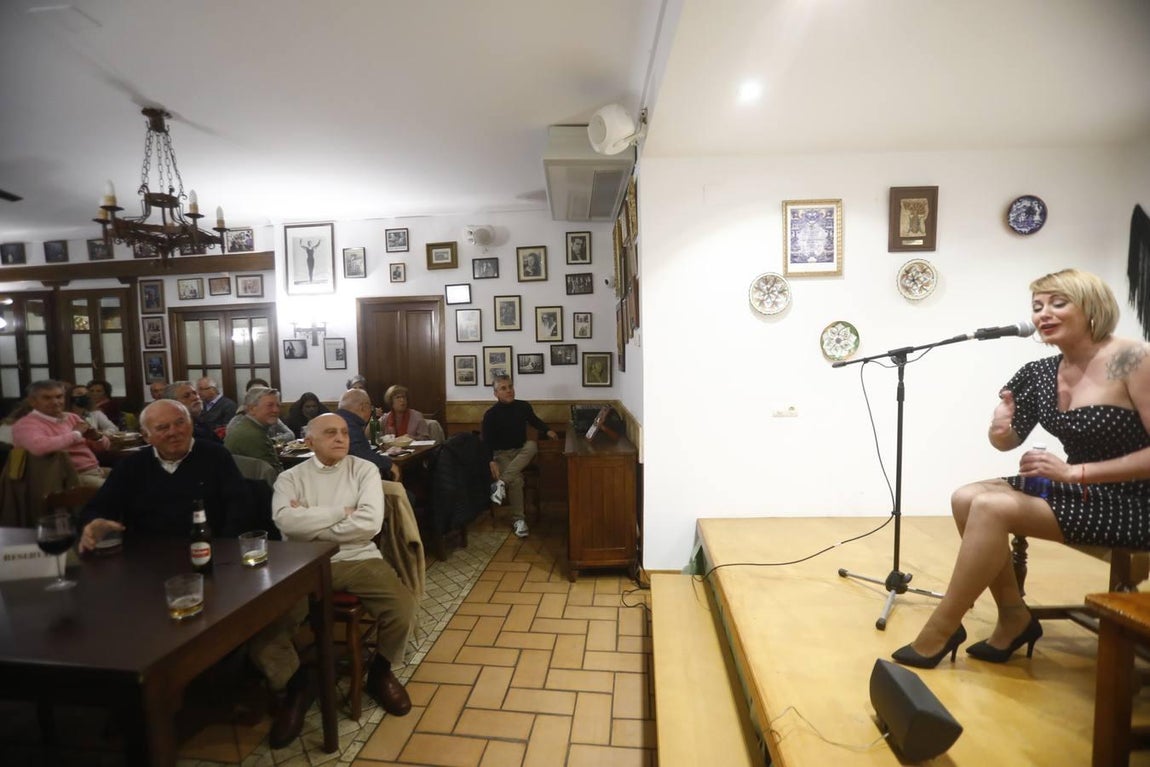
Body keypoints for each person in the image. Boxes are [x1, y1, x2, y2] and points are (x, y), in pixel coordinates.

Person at [893, 269, 1150, 669]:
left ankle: (942, 627)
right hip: (1080, 490)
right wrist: (999, 425)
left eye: (1058, 303)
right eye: (1037, 306)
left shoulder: (1133, 358)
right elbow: (1008, 441)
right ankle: (1015, 616)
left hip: (1134, 499)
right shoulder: (1041, 372)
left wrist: (1072, 474)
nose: (1043, 313)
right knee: (965, 497)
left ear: (1091, 305)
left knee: (991, 508)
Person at [253, 412, 416, 746]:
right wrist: (342, 513)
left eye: (343, 432)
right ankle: (298, 686)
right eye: (330, 433)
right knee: (265, 632)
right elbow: (286, 523)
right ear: (309, 441)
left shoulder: (364, 469)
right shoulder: (290, 477)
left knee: (403, 609)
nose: (341, 438)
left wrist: (310, 521)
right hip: (301, 564)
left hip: (357, 558)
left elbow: (369, 524)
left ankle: (380, 674)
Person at [77, 399, 250, 549]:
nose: (174, 432)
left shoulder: (216, 455)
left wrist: (227, 547)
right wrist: (93, 523)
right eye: (162, 427)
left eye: (180, 422)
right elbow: (98, 507)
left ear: (191, 425)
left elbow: (240, 506)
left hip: (209, 550)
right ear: (146, 436)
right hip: (149, 558)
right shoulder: (132, 465)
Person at [481, 376, 557, 538]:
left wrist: (548, 430)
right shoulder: (490, 415)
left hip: (520, 451)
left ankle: (501, 483)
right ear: (496, 393)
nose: (508, 390)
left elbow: (535, 421)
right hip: (501, 454)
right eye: (503, 388)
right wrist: (490, 461)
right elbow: (486, 442)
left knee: (532, 445)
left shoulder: (523, 406)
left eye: (510, 387)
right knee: (516, 479)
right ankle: (519, 521)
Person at [12, 380, 110, 487]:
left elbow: (104, 447)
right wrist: (76, 434)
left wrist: (97, 437)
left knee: (130, 475)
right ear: (32, 401)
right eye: (47, 398)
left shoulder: (72, 417)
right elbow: (38, 448)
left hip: (95, 470)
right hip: (67, 478)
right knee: (119, 492)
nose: (55, 402)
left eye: (59, 397)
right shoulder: (26, 424)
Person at [335, 388, 398, 480]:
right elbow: (360, 454)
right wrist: (389, 464)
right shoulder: (348, 425)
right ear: (363, 407)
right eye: (370, 408)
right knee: (405, 493)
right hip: (349, 482)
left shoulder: (336, 420)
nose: (371, 411)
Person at [224, 386, 284, 474]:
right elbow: (273, 474)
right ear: (252, 409)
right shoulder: (252, 435)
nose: (276, 410)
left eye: (278, 405)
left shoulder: (246, 426)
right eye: (270, 405)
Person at [226, 378, 294, 442]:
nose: (275, 410)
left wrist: (271, 441)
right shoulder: (239, 421)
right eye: (255, 392)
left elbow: (290, 434)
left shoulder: (269, 415)